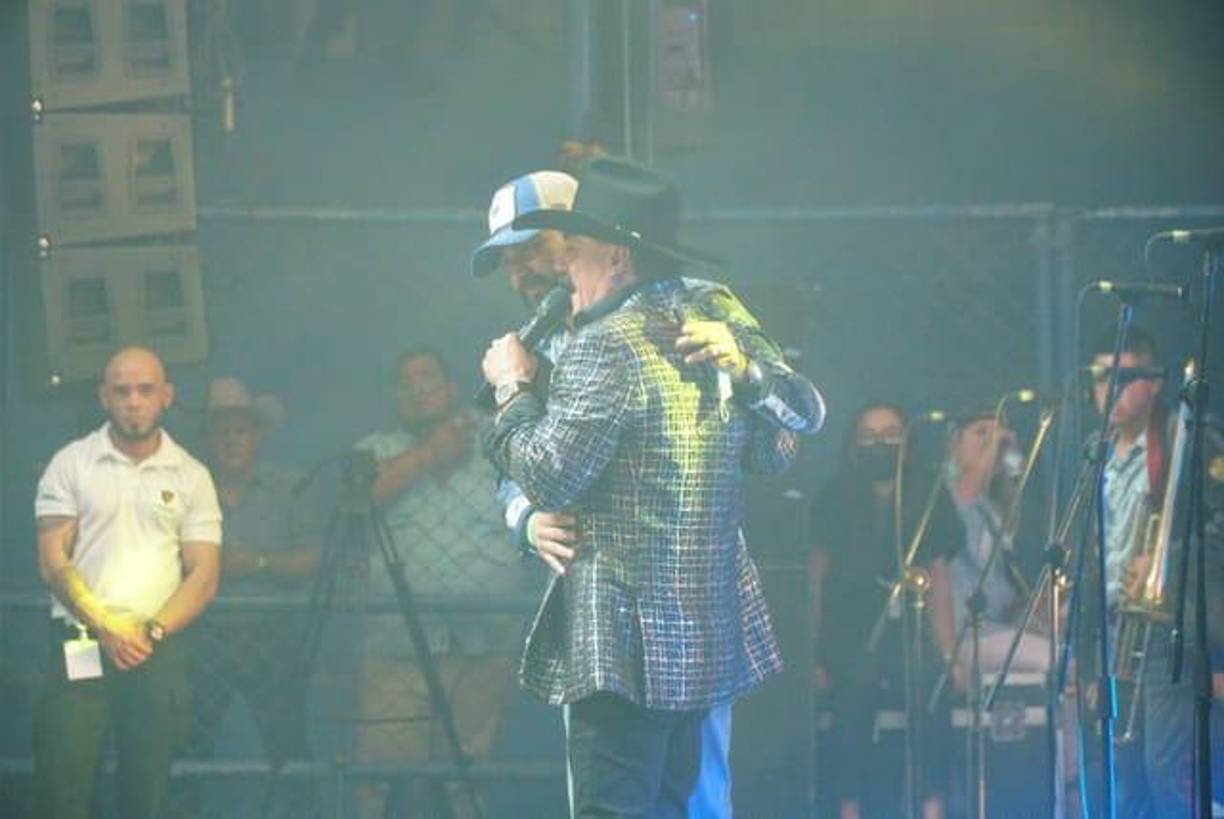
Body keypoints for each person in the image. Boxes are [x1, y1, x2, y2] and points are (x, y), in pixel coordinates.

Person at [479, 156, 825, 817]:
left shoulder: (696, 304)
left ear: (586, 234)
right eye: (507, 262)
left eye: (536, 247)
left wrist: (746, 369)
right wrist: (525, 516)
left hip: (693, 598)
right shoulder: (538, 340)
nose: (526, 271)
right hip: (611, 611)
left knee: (694, 796)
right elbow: (513, 466)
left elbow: (790, 427)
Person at [32, 345, 223, 819]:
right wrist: (104, 624)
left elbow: (204, 574)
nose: (133, 401)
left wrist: (148, 631)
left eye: (145, 390)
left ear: (166, 396)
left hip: (154, 645)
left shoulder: (191, 475)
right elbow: (53, 561)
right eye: (122, 391)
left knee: (149, 787)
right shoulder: (71, 463)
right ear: (104, 397)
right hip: (81, 639)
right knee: (64, 782)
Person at [354, 347, 530, 818]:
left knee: (467, 778)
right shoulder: (375, 451)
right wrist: (430, 453)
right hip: (398, 648)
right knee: (381, 780)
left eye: (429, 377)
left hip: (483, 645)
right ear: (394, 396)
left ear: (451, 388)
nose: (419, 388)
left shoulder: (493, 445)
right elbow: (358, 501)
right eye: (406, 381)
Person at [808, 402, 959, 819]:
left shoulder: (928, 493)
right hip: (848, 628)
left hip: (908, 623)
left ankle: (932, 807)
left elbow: (939, 577)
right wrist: (812, 656)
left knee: (931, 686)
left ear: (906, 441)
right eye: (870, 435)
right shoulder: (834, 496)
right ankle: (849, 808)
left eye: (890, 433)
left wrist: (949, 654)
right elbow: (815, 580)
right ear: (854, 445)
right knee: (854, 689)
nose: (881, 443)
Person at [186, 377, 318, 764]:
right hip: (205, 637)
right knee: (190, 745)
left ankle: (295, 799)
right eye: (221, 432)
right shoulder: (185, 491)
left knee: (288, 747)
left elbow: (315, 559)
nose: (231, 442)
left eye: (240, 431)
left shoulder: (292, 487)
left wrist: (257, 562)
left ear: (258, 436)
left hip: (274, 635)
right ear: (207, 439)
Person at [943, 407, 1052, 675]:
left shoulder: (990, 508)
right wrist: (996, 444)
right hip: (962, 633)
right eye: (981, 433)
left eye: (998, 435)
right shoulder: (944, 493)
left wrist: (1030, 608)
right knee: (1056, 661)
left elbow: (996, 588)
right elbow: (967, 490)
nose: (992, 442)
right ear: (955, 443)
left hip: (994, 627)